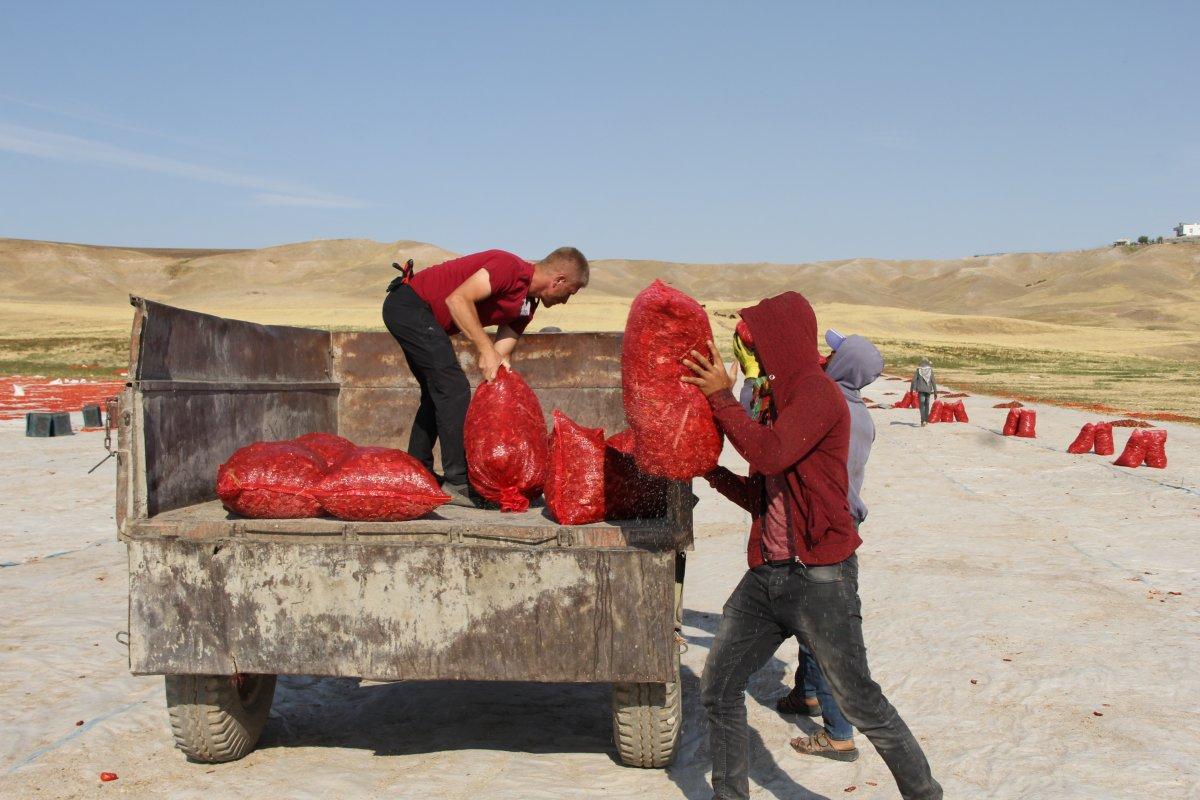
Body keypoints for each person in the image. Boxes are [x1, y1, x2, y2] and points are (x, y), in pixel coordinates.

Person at [682, 292, 941, 800]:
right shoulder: (776, 401)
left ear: (780, 341)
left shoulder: (817, 394)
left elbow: (771, 454)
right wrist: (710, 471)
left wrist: (721, 399)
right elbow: (763, 494)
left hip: (821, 576)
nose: (750, 354)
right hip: (767, 575)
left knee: (861, 702)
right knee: (719, 689)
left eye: (756, 342)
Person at [382, 247, 588, 506]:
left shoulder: (527, 305)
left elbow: (500, 355)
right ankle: (458, 481)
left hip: (422, 316)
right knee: (453, 388)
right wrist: (485, 349)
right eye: (569, 293)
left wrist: (501, 380)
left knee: (439, 392)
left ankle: (416, 471)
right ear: (558, 280)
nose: (565, 301)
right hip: (409, 305)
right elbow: (457, 300)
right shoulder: (508, 268)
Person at [777, 328, 885, 763]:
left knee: (823, 629)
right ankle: (806, 694)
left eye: (833, 353)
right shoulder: (861, 414)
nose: (825, 356)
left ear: (845, 364)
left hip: (824, 527)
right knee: (814, 618)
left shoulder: (828, 407)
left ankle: (839, 734)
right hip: (841, 522)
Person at [910, 358, 938, 426]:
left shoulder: (918, 370)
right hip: (928, 390)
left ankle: (922, 421)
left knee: (922, 406)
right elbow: (933, 381)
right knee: (927, 405)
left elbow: (913, 380)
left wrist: (911, 390)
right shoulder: (930, 370)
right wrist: (935, 392)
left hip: (921, 390)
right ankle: (926, 420)